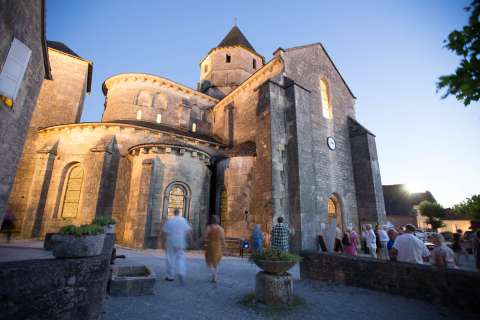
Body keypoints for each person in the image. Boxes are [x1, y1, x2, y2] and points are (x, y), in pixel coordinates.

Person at [162, 208, 193, 283]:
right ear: (179, 213)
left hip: (171, 241)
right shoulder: (183, 220)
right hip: (181, 241)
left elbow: (165, 232)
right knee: (181, 258)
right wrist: (192, 240)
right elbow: (188, 231)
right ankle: (181, 272)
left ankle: (170, 276)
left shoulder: (170, 220)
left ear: (174, 213)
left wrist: (163, 242)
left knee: (170, 258)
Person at [204, 215, 225, 283]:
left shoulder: (209, 227)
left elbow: (205, 236)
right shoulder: (221, 229)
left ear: (211, 220)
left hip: (210, 246)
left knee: (209, 262)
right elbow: (222, 239)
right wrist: (224, 247)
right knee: (215, 263)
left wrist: (199, 241)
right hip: (218, 246)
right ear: (218, 221)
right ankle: (215, 276)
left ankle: (213, 275)